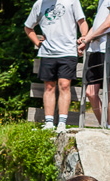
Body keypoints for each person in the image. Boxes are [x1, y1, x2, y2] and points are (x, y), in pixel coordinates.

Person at [25, 0, 89, 133]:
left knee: (64, 85)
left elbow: (82, 22)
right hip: (48, 53)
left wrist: (84, 37)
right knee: (49, 86)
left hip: (68, 51)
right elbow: (28, 27)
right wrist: (38, 43)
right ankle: (49, 123)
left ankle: (62, 123)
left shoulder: (72, 1)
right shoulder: (39, 4)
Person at [79, 0, 110, 127]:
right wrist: (86, 39)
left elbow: (107, 23)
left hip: (109, 47)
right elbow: (97, 25)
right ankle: (104, 125)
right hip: (95, 49)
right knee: (90, 92)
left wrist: (88, 39)